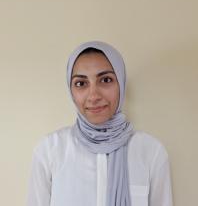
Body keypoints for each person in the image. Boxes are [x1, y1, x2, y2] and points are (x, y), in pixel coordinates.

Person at [27, 41, 173, 206]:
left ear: (121, 84)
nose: (94, 96)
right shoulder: (49, 151)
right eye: (81, 83)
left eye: (105, 80)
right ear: (71, 91)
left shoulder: (150, 151)